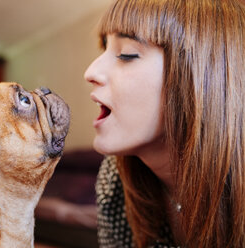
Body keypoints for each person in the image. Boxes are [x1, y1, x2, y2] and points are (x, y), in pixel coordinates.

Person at [84, 0, 245, 247]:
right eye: (104, 47)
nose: (90, 71)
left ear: (202, 76)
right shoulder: (115, 180)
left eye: (126, 53)